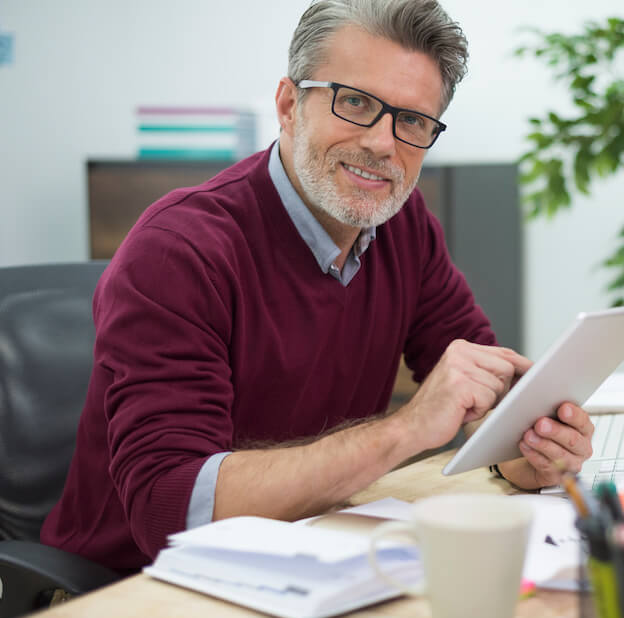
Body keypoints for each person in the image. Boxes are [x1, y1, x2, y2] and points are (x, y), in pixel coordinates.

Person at [41, 0, 593, 573]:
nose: (383, 144)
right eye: (354, 102)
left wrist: (526, 450)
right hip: (136, 587)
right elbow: (171, 511)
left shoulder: (403, 224)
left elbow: (483, 382)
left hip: (312, 554)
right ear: (288, 105)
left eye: (412, 121)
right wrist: (404, 430)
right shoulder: (179, 251)